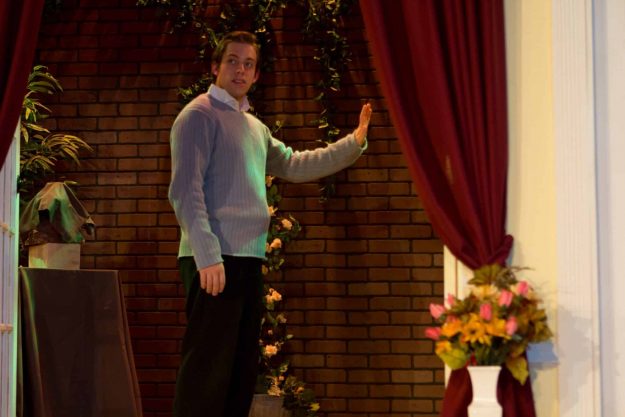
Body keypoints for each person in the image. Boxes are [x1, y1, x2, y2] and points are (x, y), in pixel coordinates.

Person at [168, 30, 372, 417]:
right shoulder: (198, 115)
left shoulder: (254, 128)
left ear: (257, 74)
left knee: (239, 371)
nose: (240, 70)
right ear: (215, 66)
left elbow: (294, 164)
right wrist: (208, 255)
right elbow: (185, 190)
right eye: (232, 61)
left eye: (248, 64)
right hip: (214, 260)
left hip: (248, 259)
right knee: (206, 373)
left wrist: (353, 143)